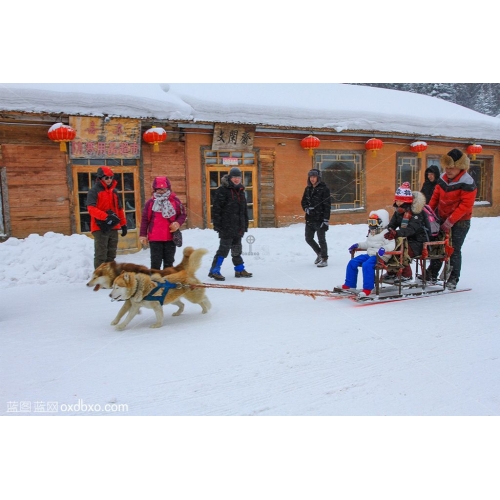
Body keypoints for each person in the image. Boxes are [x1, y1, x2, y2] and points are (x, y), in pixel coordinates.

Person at [426, 148, 477, 290]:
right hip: (442, 218)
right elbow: (435, 197)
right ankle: (432, 273)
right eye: (447, 167)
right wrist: (428, 213)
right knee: (437, 246)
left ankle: (453, 278)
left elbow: (465, 206)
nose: (448, 170)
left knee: (453, 249)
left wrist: (450, 221)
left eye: (452, 168)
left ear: (460, 167)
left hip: (461, 221)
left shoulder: (468, 182)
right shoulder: (442, 178)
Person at [338, 209, 395, 298]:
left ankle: (368, 289)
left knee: (367, 265)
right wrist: (358, 245)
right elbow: (367, 244)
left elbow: (392, 244)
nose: (371, 224)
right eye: (370, 222)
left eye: (373, 222)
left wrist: (384, 249)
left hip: (381, 256)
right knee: (353, 262)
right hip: (370, 254)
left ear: (381, 222)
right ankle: (350, 285)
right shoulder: (372, 233)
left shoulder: (387, 233)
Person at [208, 167, 252, 281]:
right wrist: (217, 225)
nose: (236, 179)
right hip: (226, 226)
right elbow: (216, 209)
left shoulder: (241, 191)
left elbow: (243, 210)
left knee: (237, 248)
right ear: (230, 178)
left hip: (238, 226)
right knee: (224, 249)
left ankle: (239, 269)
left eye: (238, 177)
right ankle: (215, 270)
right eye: (234, 177)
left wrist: (245, 224)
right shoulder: (222, 190)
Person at [382, 182, 428, 283]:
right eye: (397, 200)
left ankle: (407, 274)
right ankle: (391, 272)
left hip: (418, 241)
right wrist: (387, 231)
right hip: (404, 239)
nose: (398, 203)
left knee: (402, 251)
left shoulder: (416, 213)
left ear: (406, 201)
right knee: (389, 248)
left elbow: (411, 229)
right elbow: (392, 224)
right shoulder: (398, 212)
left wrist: (397, 233)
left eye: (400, 200)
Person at [139, 176, 186, 270]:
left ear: (168, 188)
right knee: (155, 262)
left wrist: (177, 223)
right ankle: (155, 282)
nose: (161, 191)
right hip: (155, 238)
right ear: (154, 189)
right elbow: (145, 220)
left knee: (169, 262)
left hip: (170, 237)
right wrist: (143, 234)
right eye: (158, 189)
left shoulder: (175, 201)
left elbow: (182, 214)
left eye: (163, 189)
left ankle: (167, 282)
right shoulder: (151, 203)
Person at [86, 166, 127, 269]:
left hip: (113, 227)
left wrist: (123, 224)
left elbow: (119, 209)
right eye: (106, 178)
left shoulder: (114, 192)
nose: (109, 180)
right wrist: (106, 217)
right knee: (101, 255)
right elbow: (91, 209)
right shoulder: (94, 191)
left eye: (111, 177)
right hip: (99, 227)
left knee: (111, 255)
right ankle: (99, 279)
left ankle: (109, 277)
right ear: (100, 178)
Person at [300, 168, 331, 267]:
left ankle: (324, 258)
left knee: (321, 239)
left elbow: (327, 205)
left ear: (318, 178)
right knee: (308, 238)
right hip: (309, 218)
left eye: (314, 177)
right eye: (311, 177)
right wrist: (306, 209)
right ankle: (319, 253)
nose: (312, 179)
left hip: (320, 218)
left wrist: (326, 220)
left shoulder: (324, 189)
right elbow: (303, 201)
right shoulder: (307, 189)